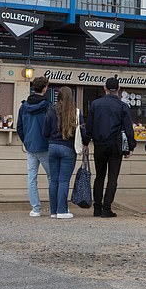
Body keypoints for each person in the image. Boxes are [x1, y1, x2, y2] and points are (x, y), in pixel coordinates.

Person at [82, 76, 136, 218]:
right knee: (113, 178)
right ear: (118, 89)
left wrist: (86, 142)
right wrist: (131, 146)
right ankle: (107, 208)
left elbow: (89, 126)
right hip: (115, 145)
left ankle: (97, 208)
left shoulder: (95, 104)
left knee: (99, 176)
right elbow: (128, 128)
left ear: (104, 88)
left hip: (99, 144)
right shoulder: (122, 106)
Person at [42, 86, 83, 219]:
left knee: (53, 180)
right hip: (68, 148)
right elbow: (83, 132)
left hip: (53, 147)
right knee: (64, 181)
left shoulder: (51, 110)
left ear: (58, 96)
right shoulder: (76, 113)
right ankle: (62, 211)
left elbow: (45, 132)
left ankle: (53, 211)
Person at [16, 76, 51, 217]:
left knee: (32, 178)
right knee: (52, 177)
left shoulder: (23, 106)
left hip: (30, 147)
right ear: (45, 88)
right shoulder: (48, 106)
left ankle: (36, 209)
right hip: (45, 146)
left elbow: (19, 127)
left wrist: (27, 141)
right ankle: (54, 208)